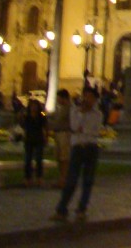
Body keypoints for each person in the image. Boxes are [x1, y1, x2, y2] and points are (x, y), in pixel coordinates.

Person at [52, 86, 103, 222]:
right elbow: (74, 127)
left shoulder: (97, 114)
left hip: (91, 148)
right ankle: (62, 209)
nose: (87, 99)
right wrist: (81, 115)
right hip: (77, 148)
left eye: (91, 97)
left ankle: (82, 209)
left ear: (95, 100)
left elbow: (94, 131)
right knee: (71, 180)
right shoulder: (75, 110)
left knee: (88, 181)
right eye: (86, 96)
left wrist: (83, 129)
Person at [47, 89, 72, 188]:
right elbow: (51, 116)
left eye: (59, 98)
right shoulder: (59, 108)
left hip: (64, 133)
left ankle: (64, 179)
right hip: (58, 133)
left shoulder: (69, 108)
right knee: (59, 157)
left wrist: (51, 122)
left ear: (64, 98)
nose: (57, 100)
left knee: (64, 158)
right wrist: (44, 114)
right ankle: (62, 178)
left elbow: (58, 120)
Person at [22, 98, 48, 187]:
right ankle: (27, 178)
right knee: (28, 159)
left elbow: (45, 120)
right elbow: (24, 126)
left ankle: (39, 178)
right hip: (29, 139)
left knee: (39, 159)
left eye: (35, 106)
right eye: (32, 106)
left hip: (38, 138)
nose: (34, 108)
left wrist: (45, 136)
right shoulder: (26, 115)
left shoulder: (41, 114)